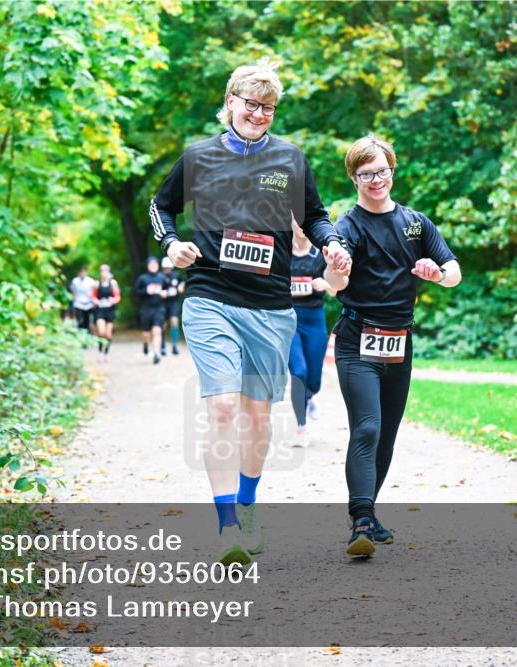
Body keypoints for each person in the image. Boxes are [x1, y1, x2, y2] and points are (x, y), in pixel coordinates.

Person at [150, 60, 352, 564]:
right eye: (251, 105)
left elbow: (315, 216)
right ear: (231, 102)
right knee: (221, 406)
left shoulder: (289, 159)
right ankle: (226, 527)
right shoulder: (198, 157)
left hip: (268, 304)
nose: (259, 115)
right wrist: (172, 244)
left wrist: (330, 245)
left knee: (259, 418)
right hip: (209, 292)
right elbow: (161, 207)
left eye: (268, 108)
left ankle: (247, 502)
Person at [333, 135, 461, 558]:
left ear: (392, 170)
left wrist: (437, 273)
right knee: (367, 426)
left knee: (386, 436)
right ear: (354, 177)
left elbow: (454, 271)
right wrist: (337, 268)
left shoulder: (416, 223)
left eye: (382, 170)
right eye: (366, 173)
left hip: (399, 342)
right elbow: (335, 284)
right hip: (357, 341)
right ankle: (361, 519)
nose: (376, 179)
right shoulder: (346, 227)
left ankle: (369, 514)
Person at [288, 218, 336, 447]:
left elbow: (338, 290)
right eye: (298, 223)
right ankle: (300, 427)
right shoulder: (281, 254)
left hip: (315, 319)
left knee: (314, 378)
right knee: (298, 371)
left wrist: (326, 285)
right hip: (289, 321)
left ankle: (309, 397)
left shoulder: (321, 255)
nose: (302, 228)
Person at [134, 257, 168, 365]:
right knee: (146, 334)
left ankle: (156, 354)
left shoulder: (162, 278)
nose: (153, 266)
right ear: (148, 266)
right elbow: (136, 293)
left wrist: (165, 293)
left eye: (155, 264)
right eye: (151, 264)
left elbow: (167, 290)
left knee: (157, 331)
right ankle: (145, 344)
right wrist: (146, 291)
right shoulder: (142, 279)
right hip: (146, 309)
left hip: (159, 308)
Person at [93, 264, 121, 362]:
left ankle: (106, 352)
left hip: (110, 310)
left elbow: (118, 296)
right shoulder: (97, 284)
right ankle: (100, 352)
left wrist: (113, 300)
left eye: (106, 271)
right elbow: (93, 296)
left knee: (108, 334)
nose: (104, 273)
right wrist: (96, 301)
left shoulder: (113, 283)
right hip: (100, 310)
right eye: (102, 271)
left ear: (108, 272)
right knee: (101, 331)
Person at [160, 257, 185, 356]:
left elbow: (182, 283)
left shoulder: (176, 275)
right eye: (165, 268)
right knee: (163, 325)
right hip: (162, 303)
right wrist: (161, 292)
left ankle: (175, 345)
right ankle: (162, 346)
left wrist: (181, 286)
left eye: (169, 267)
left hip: (174, 302)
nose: (167, 269)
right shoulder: (160, 277)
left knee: (174, 322)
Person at [68, 266, 96, 338]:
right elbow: (73, 292)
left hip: (88, 304)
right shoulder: (75, 281)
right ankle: (81, 336)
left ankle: (87, 336)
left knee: (87, 321)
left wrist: (93, 302)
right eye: (81, 272)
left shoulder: (91, 281)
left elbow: (94, 291)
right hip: (78, 304)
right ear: (79, 273)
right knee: (80, 321)